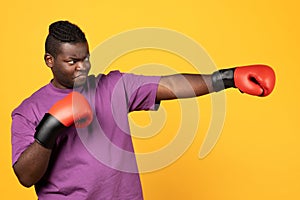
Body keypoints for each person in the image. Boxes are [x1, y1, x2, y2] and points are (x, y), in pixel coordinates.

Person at [11, 20, 275, 199]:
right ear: (50, 60)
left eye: (86, 58)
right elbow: (25, 176)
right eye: (72, 61)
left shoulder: (112, 87)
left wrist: (227, 78)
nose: (83, 67)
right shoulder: (28, 110)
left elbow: (170, 84)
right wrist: (50, 128)